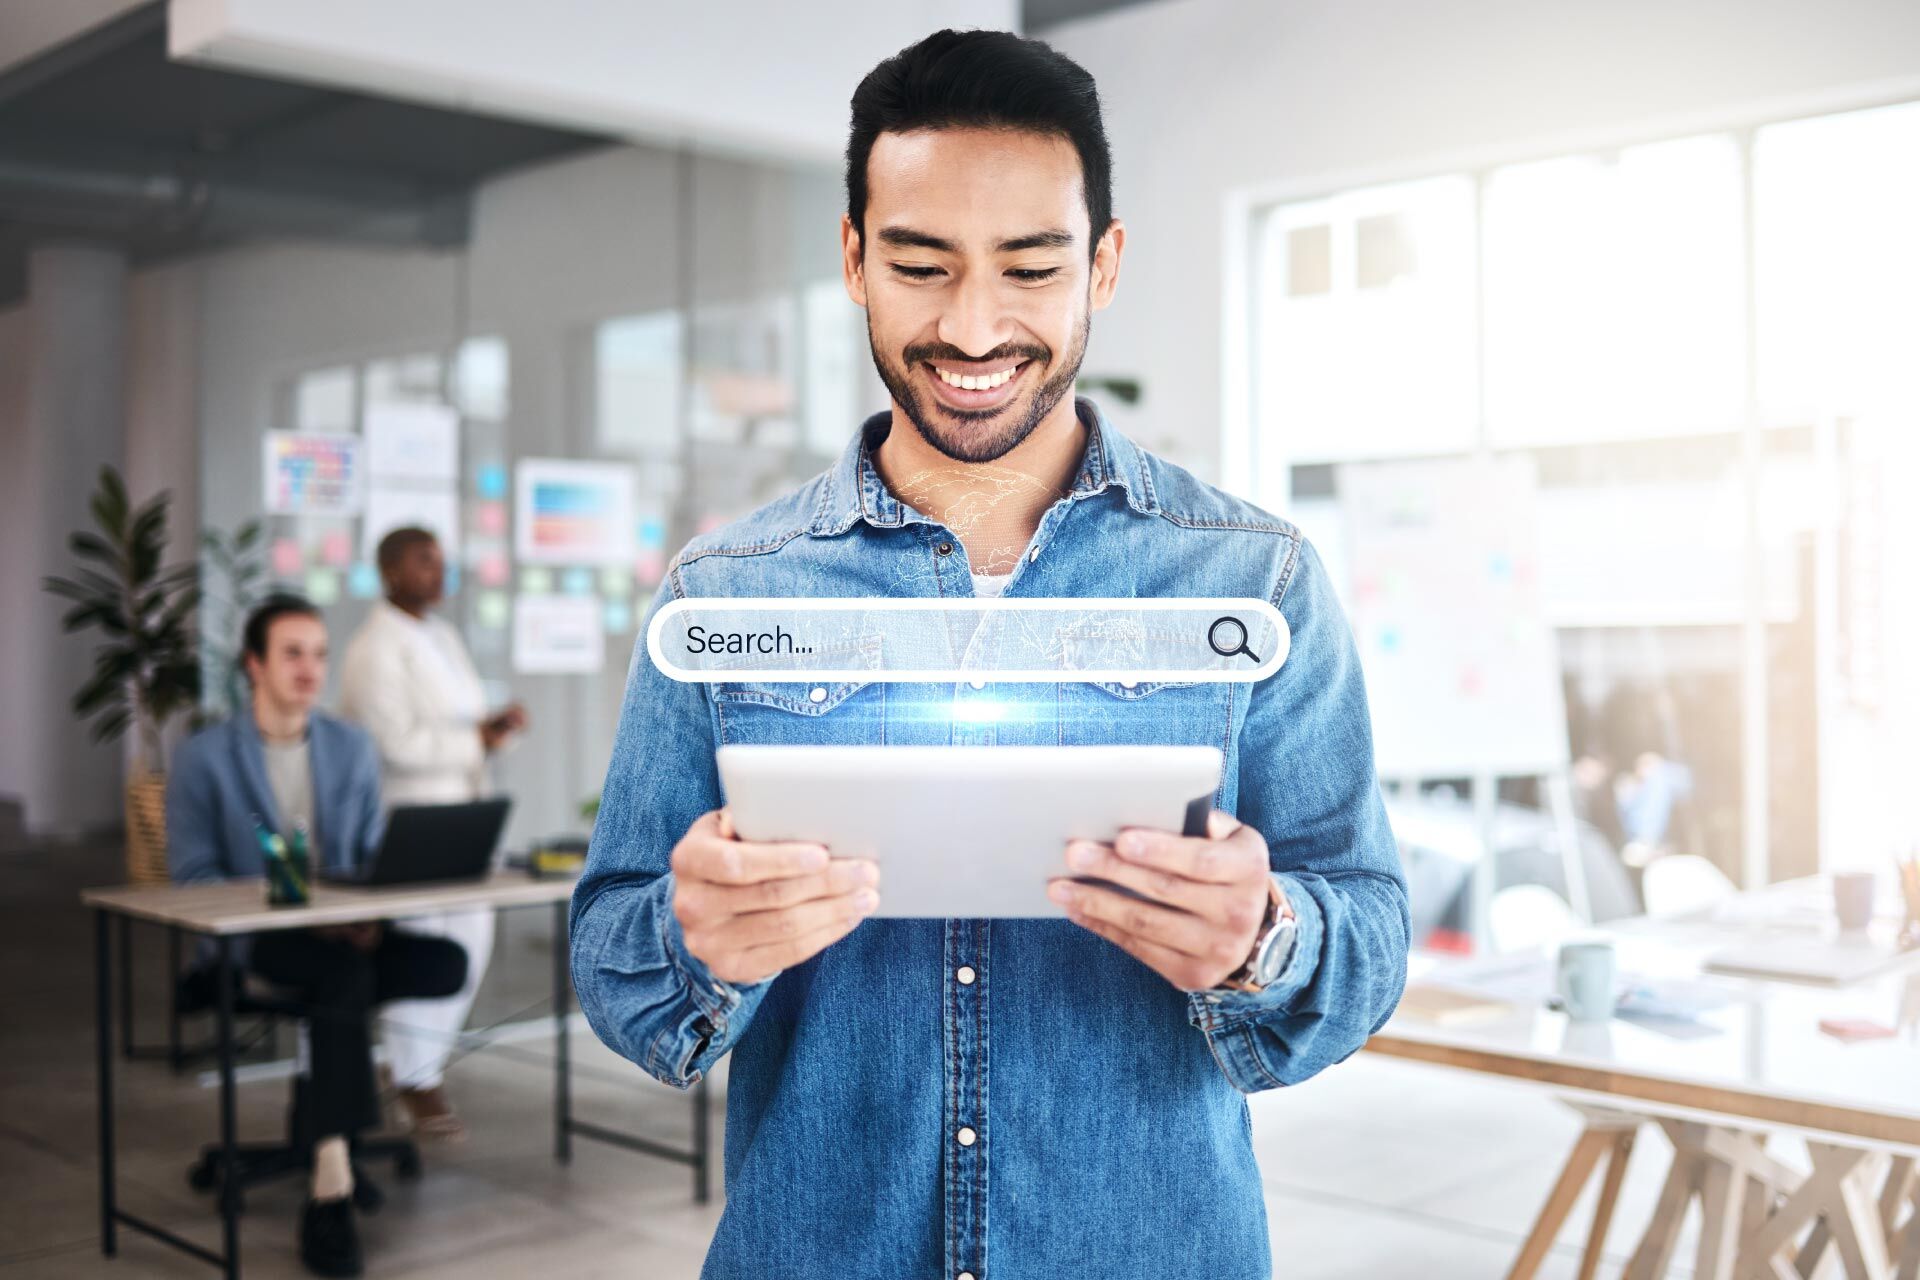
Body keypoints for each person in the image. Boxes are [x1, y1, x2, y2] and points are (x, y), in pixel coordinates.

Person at [572, 30, 1410, 1279]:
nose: (972, 328)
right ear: (854, 260)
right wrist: (696, 940)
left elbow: (1371, 927)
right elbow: (614, 964)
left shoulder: (1255, 581)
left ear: (1103, 265)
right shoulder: (726, 591)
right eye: (921, 265)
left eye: (1030, 267)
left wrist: (1266, 937)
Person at [168, 595, 468, 1278]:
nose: (310, 668)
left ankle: (325, 1126)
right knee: (342, 978)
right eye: (292, 654)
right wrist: (290, 909)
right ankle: (331, 1177)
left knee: (442, 963)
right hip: (253, 939)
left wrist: (367, 915)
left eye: (319, 654)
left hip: (339, 933)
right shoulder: (204, 757)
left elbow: (364, 858)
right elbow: (191, 878)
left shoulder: (348, 746)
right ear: (254, 664)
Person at [337, 527, 526, 1141]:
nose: (439, 573)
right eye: (424, 562)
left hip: (460, 818)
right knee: (425, 943)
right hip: (409, 823)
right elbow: (391, 744)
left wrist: (491, 729)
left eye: (442, 561)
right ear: (390, 571)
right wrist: (475, 739)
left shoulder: (442, 636)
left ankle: (418, 1066)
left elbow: (459, 723)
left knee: (471, 940)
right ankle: (414, 1077)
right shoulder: (374, 648)